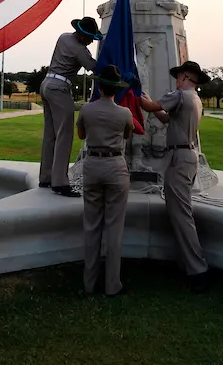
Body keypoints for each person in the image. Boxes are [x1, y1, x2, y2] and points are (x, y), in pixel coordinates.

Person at [138, 59, 211, 293]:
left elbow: (150, 108)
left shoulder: (181, 95)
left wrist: (133, 92)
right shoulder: (194, 99)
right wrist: (147, 96)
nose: (177, 80)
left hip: (179, 159)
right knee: (180, 211)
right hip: (186, 157)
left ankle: (198, 270)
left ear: (186, 78)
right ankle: (187, 263)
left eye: (179, 76)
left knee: (181, 215)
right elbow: (165, 117)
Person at [76, 64, 135, 297]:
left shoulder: (86, 110)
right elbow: (128, 134)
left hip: (92, 164)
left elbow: (81, 135)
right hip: (115, 166)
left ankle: (89, 283)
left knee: (91, 227)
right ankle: (112, 285)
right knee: (114, 228)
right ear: (116, 90)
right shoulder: (124, 113)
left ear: (99, 86)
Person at [39, 16, 102, 197]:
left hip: (46, 84)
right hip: (59, 88)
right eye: (90, 38)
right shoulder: (80, 50)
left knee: (50, 134)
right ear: (82, 35)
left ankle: (46, 176)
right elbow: (94, 67)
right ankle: (60, 182)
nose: (91, 41)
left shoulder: (63, 37)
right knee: (64, 134)